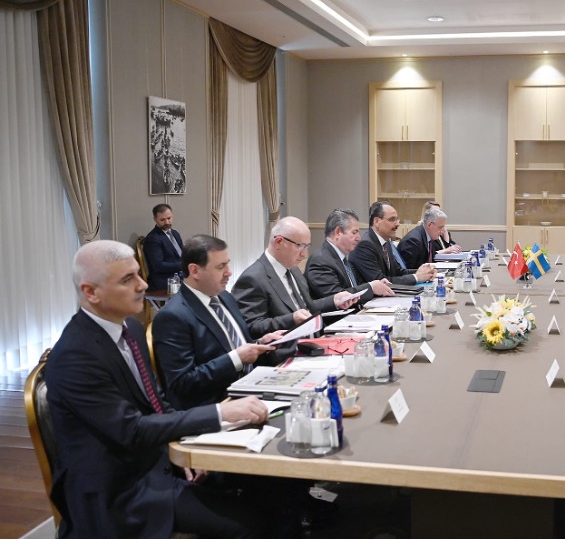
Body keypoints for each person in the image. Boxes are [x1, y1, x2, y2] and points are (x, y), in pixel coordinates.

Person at [44, 240, 270, 538]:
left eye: (139, 274)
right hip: (119, 493)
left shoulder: (131, 329)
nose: (142, 285)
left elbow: (156, 403)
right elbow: (132, 430)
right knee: (252, 522)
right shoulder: (76, 356)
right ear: (90, 292)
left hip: (155, 466)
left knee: (265, 495)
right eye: (128, 279)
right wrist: (220, 413)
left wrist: (185, 448)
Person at [152, 235, 287, 410]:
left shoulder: (225, 297)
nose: (228, 272)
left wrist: (260, 344)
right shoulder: (172, 317)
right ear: (195, 271)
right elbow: (182, 383)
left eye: (227, 264)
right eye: (220, 267)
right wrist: (236, 358)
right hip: (216, 406)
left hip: (251, 388)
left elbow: (234, 345)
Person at [232, 216, 358, 338]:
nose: (304, 254)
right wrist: (291, 319)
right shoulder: (253, 278)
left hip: (317, 340)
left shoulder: (293, 269)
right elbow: (252, 327)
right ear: (279, 242)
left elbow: (305, 307)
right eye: (300, 246)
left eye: (307, 247)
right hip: (290, 349)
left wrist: (334, 301)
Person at [304, 208, 396, 303]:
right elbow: (337, 299)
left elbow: (354, 287)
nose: (359, 238)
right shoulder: (320, 261)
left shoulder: (342, 258)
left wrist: (377, 285)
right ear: (338, 232)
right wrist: (371, 287)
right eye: (354, 232)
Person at [349, 201, 436, 286]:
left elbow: (397, 272)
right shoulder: (365, 245)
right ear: (377, 222)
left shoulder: (386, 242)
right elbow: (382, 282)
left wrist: (423, 272)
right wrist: (416, 277)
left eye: (397, 219)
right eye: (392, 219)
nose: (398, 224)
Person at [143, 203, 183, 291]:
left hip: (180, 276)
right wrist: (183, 265)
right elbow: (158, 266)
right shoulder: (153, 238)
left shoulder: (175, 233)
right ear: (155, 219)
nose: (167, 222)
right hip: (164, 280)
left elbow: (182, 255)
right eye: (162, 220)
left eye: (169, 218)